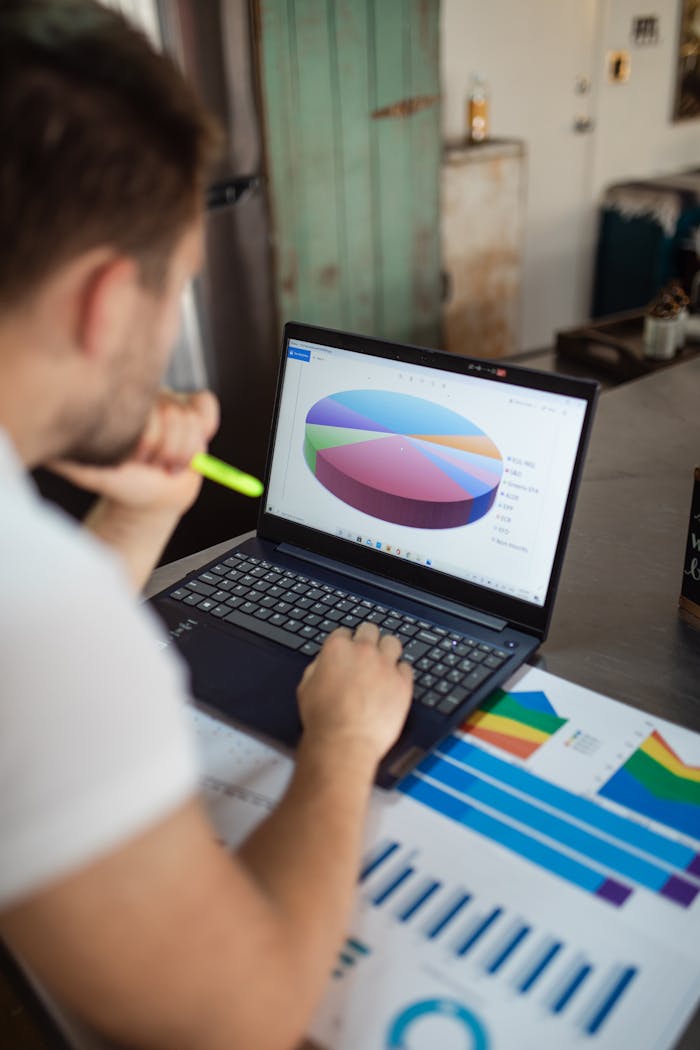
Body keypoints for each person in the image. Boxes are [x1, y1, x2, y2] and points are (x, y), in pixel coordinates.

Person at [0, 3, 412, 1048]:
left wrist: (136, 523)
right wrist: (344, 743)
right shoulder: (38, 625)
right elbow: (246, 1017)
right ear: (104, 302)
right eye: (176, 289)